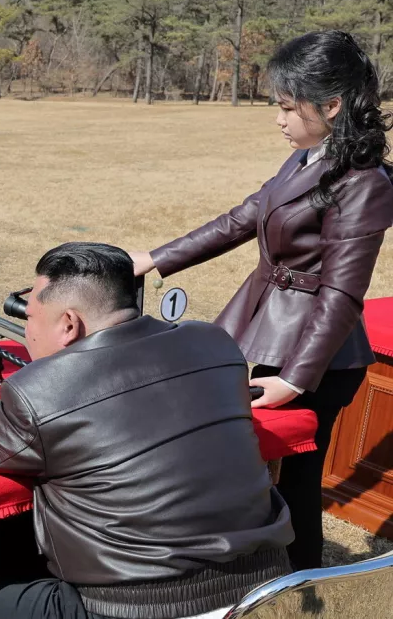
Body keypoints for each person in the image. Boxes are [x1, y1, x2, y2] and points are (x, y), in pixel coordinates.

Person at [0, 242, 293, 619]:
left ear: (68, 324)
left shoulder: (40, 390)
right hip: (267, 589)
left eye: (30, 317)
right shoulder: (216, 343)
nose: (27, 331)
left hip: (131, 606)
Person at [131, 31, 393, 571]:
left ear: (332, 105)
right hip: (271, 325)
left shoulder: (363, 182)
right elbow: (245, 215)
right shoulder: (307, 156)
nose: (278, 118)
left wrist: (296, 378)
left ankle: (298, 580)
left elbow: (342, 292)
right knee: (264, 463)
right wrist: (156, 257)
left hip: (318, 355)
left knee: (297, 475)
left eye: (286, 107)